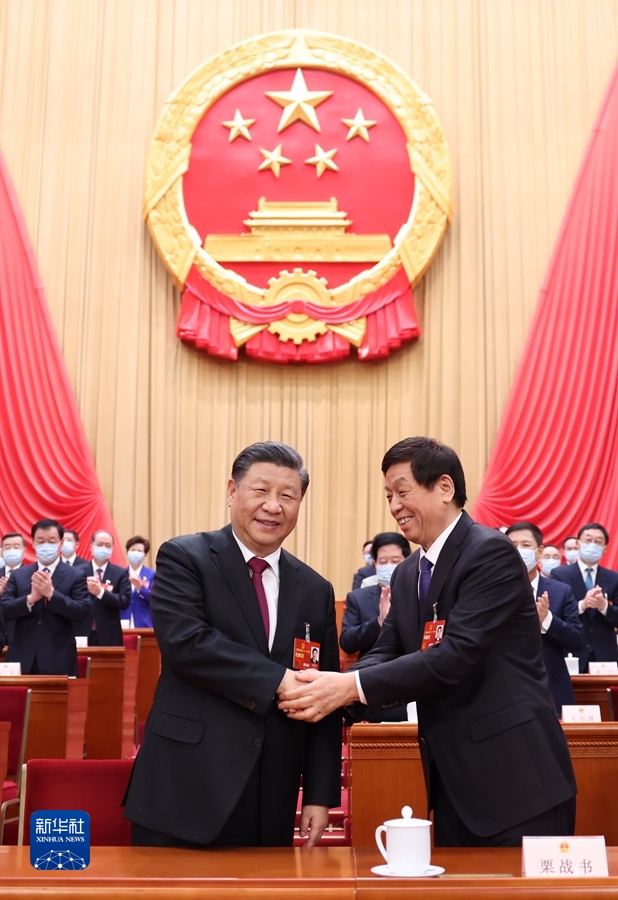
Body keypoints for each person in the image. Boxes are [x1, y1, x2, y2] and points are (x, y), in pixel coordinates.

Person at [278, 437, 576, 847]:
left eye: (403, 491)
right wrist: (327, 689)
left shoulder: (490, 553)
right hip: (454, 785)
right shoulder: (409, 572)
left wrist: (346, 687)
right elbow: (388, 651)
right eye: (388, 496)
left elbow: (455, 655)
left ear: (445, 488)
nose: (394, 506)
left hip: (517, 781)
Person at [124, 441, 341, 849]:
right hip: (184, 788)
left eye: (287, 496)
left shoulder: (315, 589)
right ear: (231, 492)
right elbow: (188, 644)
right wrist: (279, 679)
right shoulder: (185, 558)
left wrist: (318, 793)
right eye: (261, 490)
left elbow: (323, 697)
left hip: (270, 798)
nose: (273, 506)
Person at [505, 523, 583, 714]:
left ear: (539, 551)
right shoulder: (492, 591)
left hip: (551, 689)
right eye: (513, 545)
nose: (519, 550)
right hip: (505, 688)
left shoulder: (560, 591)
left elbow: (577, 640)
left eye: (525, 545)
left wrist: (547, 619)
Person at [1, 519, 90, 675]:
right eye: (41, 541)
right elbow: (4, 610)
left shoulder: (76, 575)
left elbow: (81, 612)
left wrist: (52, 595)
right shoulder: (18, 575)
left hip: (59, 657)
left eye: (51, 541)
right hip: (22, 655)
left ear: (60, 544)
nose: (46, 545)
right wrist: (30, 599)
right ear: (33, 544)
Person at [551, 523, 618, 672]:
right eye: (588, 540)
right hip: (571, 650)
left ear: (605, 549)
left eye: (598, 541)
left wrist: (604, 606)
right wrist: (582, 605)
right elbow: (554, 613)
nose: (592, 545)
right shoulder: (559, 574)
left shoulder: (614, 578)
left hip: (604, 654)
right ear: (578, 543)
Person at [340, 532, 411, 659]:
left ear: (408, 562)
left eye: (395, 561)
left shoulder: (418, 593)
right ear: (375, 564)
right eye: (383, 561)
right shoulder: (358, 598)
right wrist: (379, 622)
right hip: (371, 667)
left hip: (411, 666)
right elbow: (347, 642)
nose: (389, 566)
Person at [74, 531, 131, 646]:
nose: (103, 548)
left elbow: (125, 601)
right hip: (81, 629)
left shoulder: (120, 573)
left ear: (112, 549)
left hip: (109, 632)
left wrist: (100, 592)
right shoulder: (77, 571)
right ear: (91, 547)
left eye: (107, 545)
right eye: (100, 544)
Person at [122, 535, 155, 628]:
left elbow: (155, 599)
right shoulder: (120, 574)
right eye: (133, 550)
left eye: (139, 551)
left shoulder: (152, 575)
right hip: (123, 623)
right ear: (127, 552)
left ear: (145, 554)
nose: (135, 553)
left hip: (144, 624)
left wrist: (141, 588)